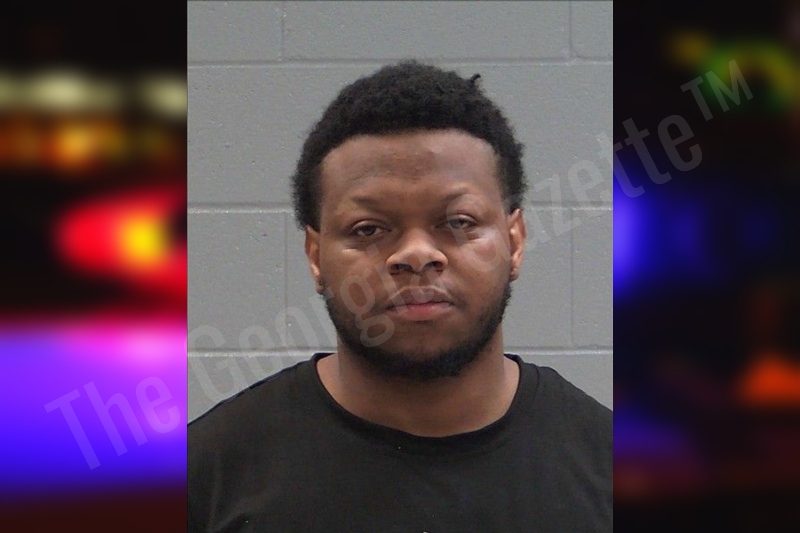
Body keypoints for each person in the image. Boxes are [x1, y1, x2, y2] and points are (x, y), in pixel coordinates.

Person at [188, 60, 612, 532]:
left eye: (459, 222)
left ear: (514, 242)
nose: (416, 255)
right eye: (368, 229)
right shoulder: (205, 479)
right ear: (315, 255)